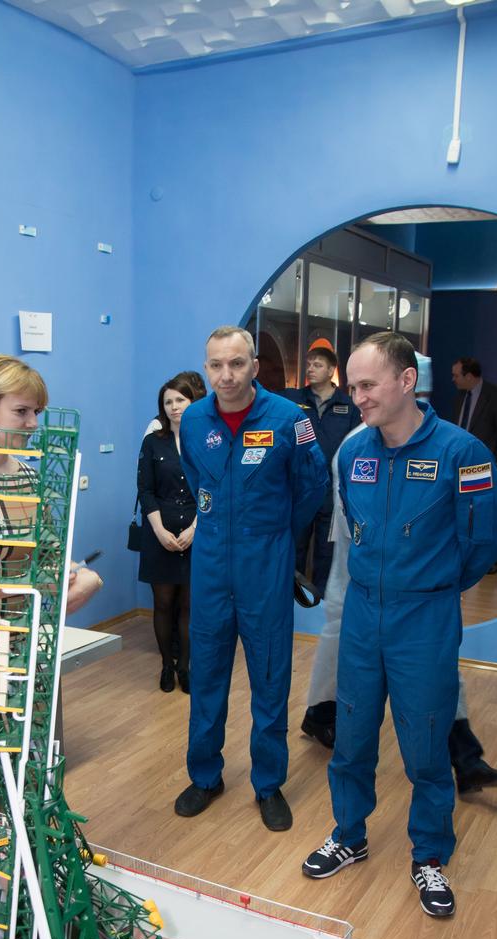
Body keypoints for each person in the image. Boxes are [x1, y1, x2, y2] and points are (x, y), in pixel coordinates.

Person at [303, 333, 497, 918]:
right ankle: (350, 833)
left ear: (406, 381)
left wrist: (430, 585)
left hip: (425, 618)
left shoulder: (461, 452)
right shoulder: (355, 451)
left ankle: (430, 857)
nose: (358, 397)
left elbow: (485, 541)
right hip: (364, 615)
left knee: (425, 742)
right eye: (353, 386)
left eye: (368, 385)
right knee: (352, 734)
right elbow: (350, 525)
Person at [173, 326, 328, 831]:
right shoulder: (195, 420)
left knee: (269, 677)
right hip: (212, 566)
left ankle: (268, 783)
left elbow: (313, 484)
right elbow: (199, 481)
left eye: (236, 363)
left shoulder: (289, 419)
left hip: (266, 564)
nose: (226, 375)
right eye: (216, 365)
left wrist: (276, 533)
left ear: (255, 366)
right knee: (208, 676)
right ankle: (205, 775)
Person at [0, 354, 102, 610]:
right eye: (21, 411)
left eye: (36, 412)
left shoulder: (29, 479)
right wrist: (35, 583)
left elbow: (48, 556)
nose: (33, 424)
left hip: (23, 637)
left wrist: (75, 575)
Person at [137, 373, 203, 692]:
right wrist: (160, 530)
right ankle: (166, 666)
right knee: (162, 604)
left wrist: (194, 528)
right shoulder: (153, 441)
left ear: (193, 402)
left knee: (189, 606)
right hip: (159, 531)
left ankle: (185, 668)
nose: (175, 407)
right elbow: (145, 490)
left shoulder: (208, 440)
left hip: (195, 529)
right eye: (168, 402)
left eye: (180, 400)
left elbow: (213, 489)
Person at [283, 339, 361, 595]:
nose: (311, 368)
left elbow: (354, 446)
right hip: (300, 487)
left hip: (333, 490)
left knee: (327, 552)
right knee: (296, 545)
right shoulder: (292, 399)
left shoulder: (348, 406)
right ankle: (293, 596)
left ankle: (321, 599)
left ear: (331, 371)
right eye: (309, 364)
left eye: (318, 364)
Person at [452, 357, 497, 575]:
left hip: (484, 465)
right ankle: (465, 556)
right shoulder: (460, 397)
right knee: (462, 511)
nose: (453, 380)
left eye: (456, 375)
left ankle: (491, 559)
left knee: (485, 511)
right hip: (459, 463)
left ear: (470, 375)